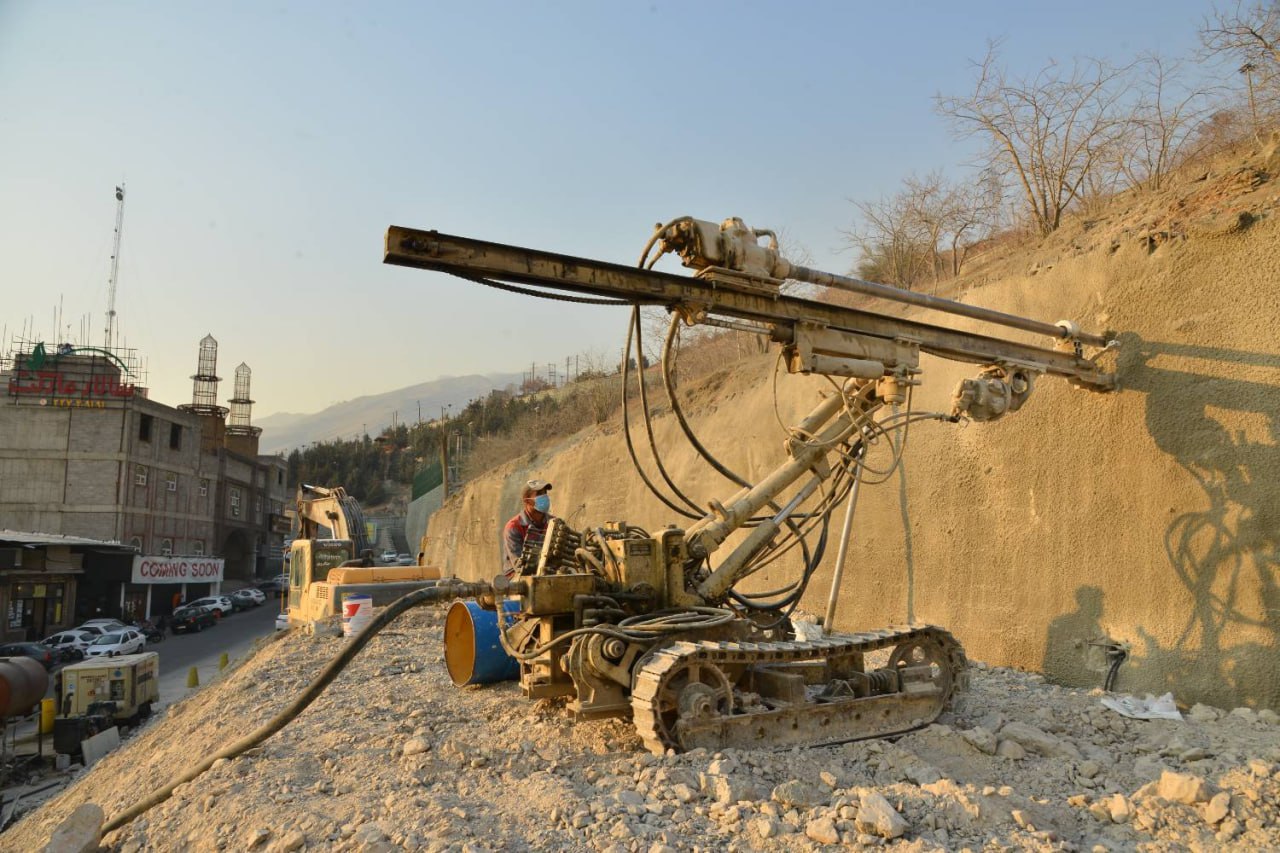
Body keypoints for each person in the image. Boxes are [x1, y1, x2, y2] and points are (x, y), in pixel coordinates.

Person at [502, 479, 555, 578]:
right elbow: (519, 566)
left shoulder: (553, 523)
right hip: (516, 579)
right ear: (527, 500)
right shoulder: (514, 527)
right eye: (539, 494)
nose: (544, 497)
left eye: (545, 493)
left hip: (547, 574)